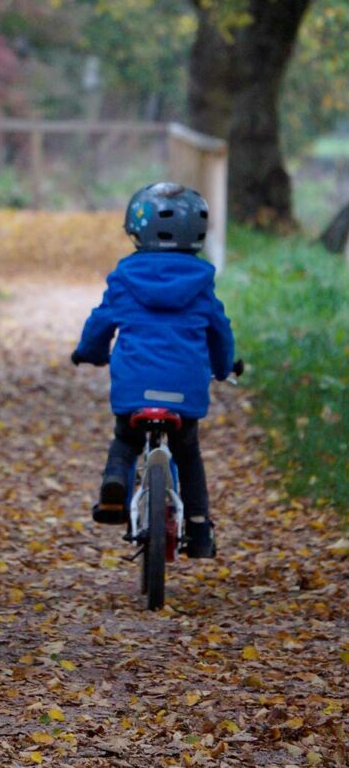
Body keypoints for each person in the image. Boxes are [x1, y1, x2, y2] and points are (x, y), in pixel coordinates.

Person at [71, 182, 235, 558]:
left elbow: (102, 321)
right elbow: (220, 332)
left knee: (126, 439)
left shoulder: (126, 277)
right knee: (188, 453)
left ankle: (114, 486)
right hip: (184, 389)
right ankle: (199, 529)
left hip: (135, 385)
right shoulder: (202, 281)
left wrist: (88, 352)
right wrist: (224, 367)